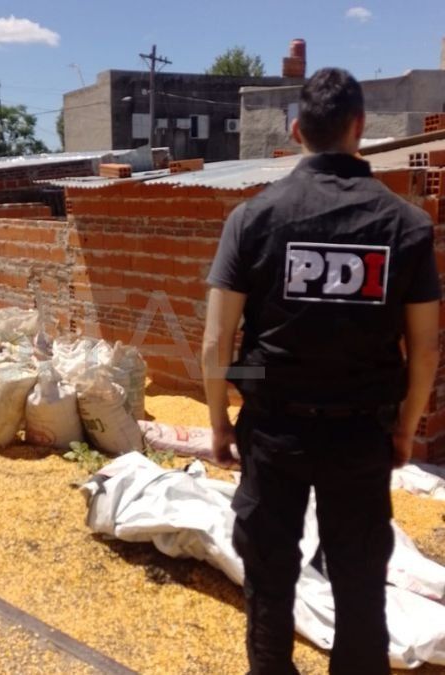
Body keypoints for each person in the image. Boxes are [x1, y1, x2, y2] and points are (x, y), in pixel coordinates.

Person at [202, 67, 439, 674]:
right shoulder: (407, 227)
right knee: (360, 589)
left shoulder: (251, 219)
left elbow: (215, 342)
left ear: (296, 129)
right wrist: (406, 428)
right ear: (359, 129)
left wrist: (221, 424)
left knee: (270, 585)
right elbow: (426, 348)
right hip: (361, 436)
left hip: (274, 434)